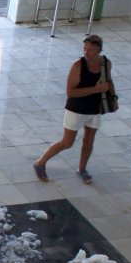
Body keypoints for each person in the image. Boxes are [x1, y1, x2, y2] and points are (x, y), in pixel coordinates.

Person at [32, 34, 117, 185]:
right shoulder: (78, 65)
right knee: (67, 142)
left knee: (89, 140)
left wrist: (114, 98)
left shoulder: (105, 63)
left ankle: (82, 169)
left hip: (95, 109)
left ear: (99, 50)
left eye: (90, 49)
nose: (86, 52)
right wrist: (96, 89)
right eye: (84, 48)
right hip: (76, 109)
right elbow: (71, 93)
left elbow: (109, 80)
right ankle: (40, 162)